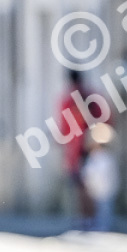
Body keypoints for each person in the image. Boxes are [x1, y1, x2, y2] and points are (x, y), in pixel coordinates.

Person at [56, 69, 93, 226]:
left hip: (75, 149)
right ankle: (89, 218)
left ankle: (83, 218)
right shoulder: (90, 96)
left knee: (79, 185)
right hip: (90, 146)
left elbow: (65, 127)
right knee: (89, 185)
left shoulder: (68, 99)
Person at [81, 122, 119, 232]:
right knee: (99, 209)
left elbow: (104, 175)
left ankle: (104, 227)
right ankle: (99, 225)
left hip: (104, 190)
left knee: (104, 210)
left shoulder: (105, 158)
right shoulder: (95, 157)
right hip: (97, 190)